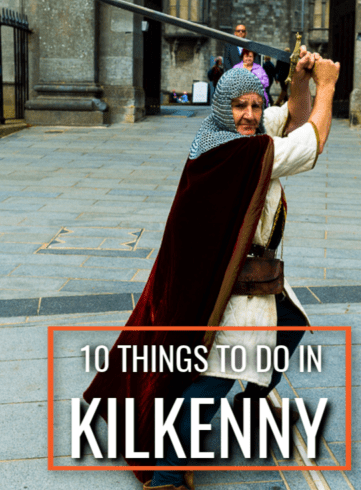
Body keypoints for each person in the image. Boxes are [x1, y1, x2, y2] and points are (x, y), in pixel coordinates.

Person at [83, 48, 340, 490]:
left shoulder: (227, 136)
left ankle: (252, 404)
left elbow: (289, 119)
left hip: (243, 272)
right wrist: (329, 86)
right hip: (230, 284)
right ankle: (166, 471)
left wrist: (300, 82)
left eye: (256, 105)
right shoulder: (237, 153)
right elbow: (308, 144)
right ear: (224, 107)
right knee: (213, 379)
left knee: (291, 325)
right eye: (239, 106)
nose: (249, 114)